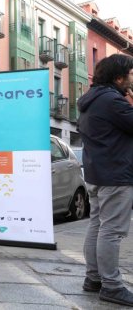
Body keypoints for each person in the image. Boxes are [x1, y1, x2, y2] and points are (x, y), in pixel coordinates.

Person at [78, 54, 133, 306]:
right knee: (111, 231)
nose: (132, 78)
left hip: (96, 173)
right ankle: (111, 285)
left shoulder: (92, 101)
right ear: (119, 77)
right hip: (115, 175)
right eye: (130, 74)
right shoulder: (113, 101)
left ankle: (94, 278)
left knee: (98, 226)